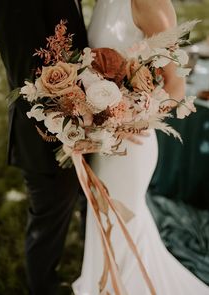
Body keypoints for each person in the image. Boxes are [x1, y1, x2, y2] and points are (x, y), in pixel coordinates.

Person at [73, 0, 209, 294]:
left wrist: (133, 122)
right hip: (102, 142)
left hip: (129, 148)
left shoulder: (149, 3)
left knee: (123, 228)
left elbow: (175, 87)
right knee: (103, 224)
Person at [0, 0, 88, 294]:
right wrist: (67, 129)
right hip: (47, 138)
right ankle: (43, 286)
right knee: (48, 222)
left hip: (85, 120)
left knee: (81, 199)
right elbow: (28, 79)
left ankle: (90, 259)